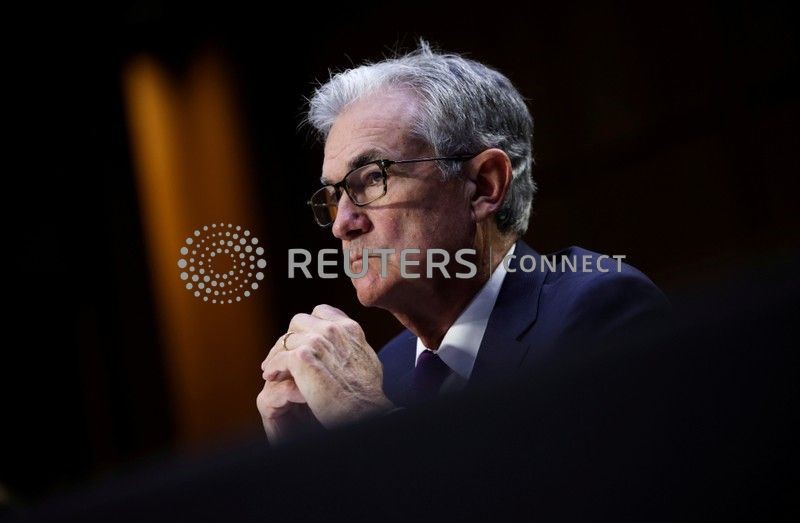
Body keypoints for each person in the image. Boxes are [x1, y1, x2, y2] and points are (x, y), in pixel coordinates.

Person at [257, 41, 670, 443]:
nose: (342, 224)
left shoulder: (599, 313)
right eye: (334, 195)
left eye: (374, 177)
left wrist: (369, 422)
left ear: (483, 185)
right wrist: (311, 462)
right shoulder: (386, 371)